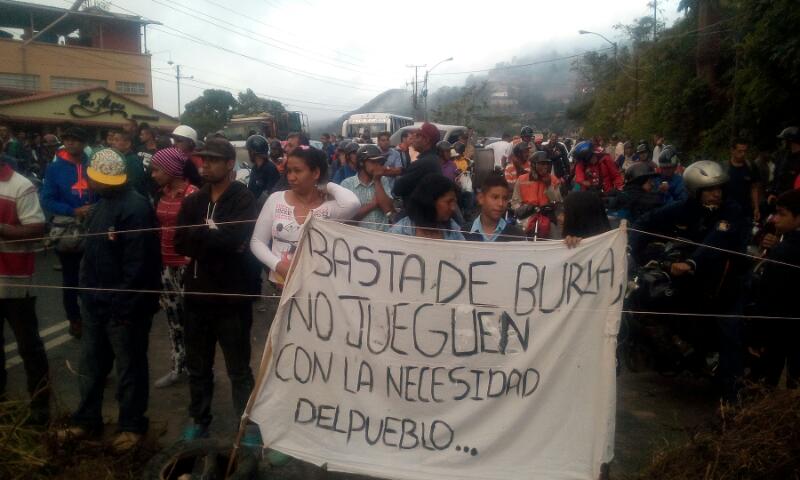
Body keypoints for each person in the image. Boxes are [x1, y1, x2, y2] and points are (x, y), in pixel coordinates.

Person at [60, 148, 161, 452]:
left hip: (125, 307)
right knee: (92, 365)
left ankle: (131, 425)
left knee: (129, 368)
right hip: (94, 302)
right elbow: (92, 256)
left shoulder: (136, 209)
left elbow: (139, 266)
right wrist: (85, 294)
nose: (93, 184)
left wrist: (124, 308)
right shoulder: (101, 206)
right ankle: (87, 420)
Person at [632, 161, 749, 402]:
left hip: (727, 284)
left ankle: (732, 399)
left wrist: (692, 262)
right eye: (709, 189)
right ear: (695, 191)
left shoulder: (731, 210)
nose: (716, 194)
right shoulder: (685, 208)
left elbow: (715, 241)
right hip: (697, 280)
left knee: (729, 330)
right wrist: (627, 245)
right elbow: (646, 222)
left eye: (719, 188)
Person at [174, 138, 260, 440]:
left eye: (212, 160)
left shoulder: (243, 198)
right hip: (197, 296)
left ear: (229, 164)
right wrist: (214, 237)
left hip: (231, 298)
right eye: (202, 159)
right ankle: (199, 420)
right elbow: (179, 242)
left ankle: (247, 425)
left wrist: (202, 238)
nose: (205, 164)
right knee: (198, 368)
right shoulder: (193, 201)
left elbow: (236, 238)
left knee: (238, 368)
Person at [251, 146, 360, 286]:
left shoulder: (328, 208)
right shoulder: (276, 200)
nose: (291, 177)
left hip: (321, 287)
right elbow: (257, 242)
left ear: (315, 173)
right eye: (288, 171)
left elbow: (353, 203)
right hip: (284, 285)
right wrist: (279, 266)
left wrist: (326, 186)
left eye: (297, 171)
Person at [0, 149, 49, 425]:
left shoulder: (21, 185)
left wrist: (3, 229)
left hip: (16, 281)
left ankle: (40, 407)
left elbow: (36, 228)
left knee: (29, 346)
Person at [149, 148, 199, 388]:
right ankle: (178, 365)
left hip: (187, 268)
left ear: (170, 170)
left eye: (157, 169)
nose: (153, 175)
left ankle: (199, 368)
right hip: (166, 266)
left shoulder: (193, 194)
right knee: (173, 319)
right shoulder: (163, 193)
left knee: (193, 320)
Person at [40, 126, 95, 339]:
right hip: (67, 230)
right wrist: (72, 210)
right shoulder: (55, 168)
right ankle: (74, 319)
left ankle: (92, 317)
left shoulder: (93, 166)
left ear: (84, 143)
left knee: (93, 277)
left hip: (92, 228)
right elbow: (47, 199)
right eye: (68, 140)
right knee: (70, 278)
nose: (71, 143)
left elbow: (102, 192)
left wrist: (95, 209)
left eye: (76, 140)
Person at [752, 189, 800, 388]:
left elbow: (768, 295)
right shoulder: (783, 245)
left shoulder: (785, 251)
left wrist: (757, 335)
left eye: (782, 214)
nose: (775, 219)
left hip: (779, 326)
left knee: (768, 380)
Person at [389, 174, 464, 240]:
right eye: (449, 202)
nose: (453, 208)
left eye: (454, 202)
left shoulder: (453, 230)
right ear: (430, 202)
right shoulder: (400, 232)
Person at [341, 144, 394, 231]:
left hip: (383, 236)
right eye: (373, 162)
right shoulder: (347, 184)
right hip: (359, 238)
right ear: (361, 163)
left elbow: (388, 210)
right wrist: (373, 204)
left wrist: (377, 181)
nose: (378, 166)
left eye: (379, 162)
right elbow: (346, 219)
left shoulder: (383, 180)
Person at [511, 151, 562, 234]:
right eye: (541, 164)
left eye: (547, 164)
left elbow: (557, 200)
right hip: (526, 217)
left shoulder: (553, 180)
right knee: (519, 238)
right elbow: (515, 201)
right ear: (533, 165)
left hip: (546, 217)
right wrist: (521, 211)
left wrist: (548, 185)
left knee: (554, 237)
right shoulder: (522, 179)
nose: (545, 166)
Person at [465, 174, 525, 242]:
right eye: (495, 197)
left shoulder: (517, 236)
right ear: (481, 198)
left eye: (505, 198)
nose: (501, 204)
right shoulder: (463, 233)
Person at [393, 122, 441, 206]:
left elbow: (397, 189)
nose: (413, 138)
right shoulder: (434, 158)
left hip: (416, 213)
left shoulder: (423, 163)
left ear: (426, 140)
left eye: (418, 136)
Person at [723, 139, 761, 221]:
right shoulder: (724, 167)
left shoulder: (751, 166)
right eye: (740, 151)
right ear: (732, 151)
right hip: (727, 210)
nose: (743, 154)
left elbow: (754, 188)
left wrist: (756, 208)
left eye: (745, 151)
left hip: (746, 209)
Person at [768, 127, 800, 202]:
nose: (783, 143)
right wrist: (773, 193)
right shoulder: (782, 157)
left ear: (791, 141)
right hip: (778, 198)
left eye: (784, 141)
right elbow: (776, 176)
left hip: (794, 201)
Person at [114, 131, 148, 197]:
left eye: (116, 140)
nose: (113, 143)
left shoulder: (132, 161)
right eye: (113, 140)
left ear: (127, 144)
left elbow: (134, 185)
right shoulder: (122, 158)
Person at [245, 135, 280, 200]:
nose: (248, 154)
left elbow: (272, 194)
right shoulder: (255, 168)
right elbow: (250, 189)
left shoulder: (270, 169)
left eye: (249, 151)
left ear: (253, 152)